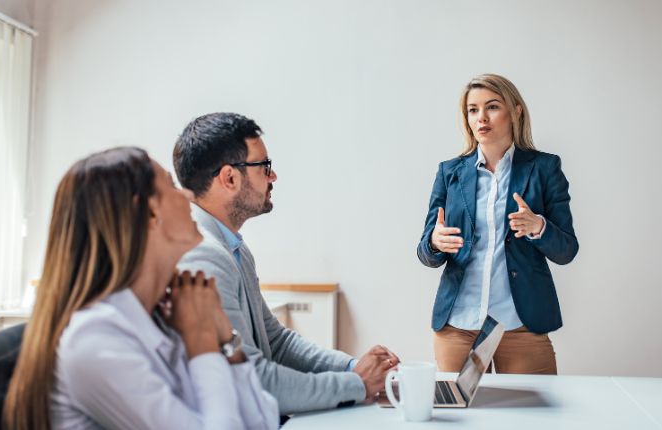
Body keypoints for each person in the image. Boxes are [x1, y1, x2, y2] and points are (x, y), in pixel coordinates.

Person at [4, 147, 278, 429]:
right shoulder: (96, 339)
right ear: (148, 213)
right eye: (172, 187)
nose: (187, 196)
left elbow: (264, 420)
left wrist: (226, 340)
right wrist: (203, 341)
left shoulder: (163, 311)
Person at [173, 112, 400, 414]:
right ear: (229, 178)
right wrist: (358, 384)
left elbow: (276, 343)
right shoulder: (205, 255)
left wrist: (353, 367)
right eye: (264, 166)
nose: (273, 176)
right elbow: (252, 379)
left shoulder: (232, 247)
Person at [417, 74, 579, 375]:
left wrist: (538, 226)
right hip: (458, 327)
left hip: (520, 326)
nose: (481, 118)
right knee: (456, 418)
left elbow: (567, 249)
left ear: (516, 111)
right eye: (473, 110)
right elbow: (425, 251)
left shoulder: (544, 169)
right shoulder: (449, 172)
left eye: (492, 107)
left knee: (532, 420)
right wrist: (434, 242)